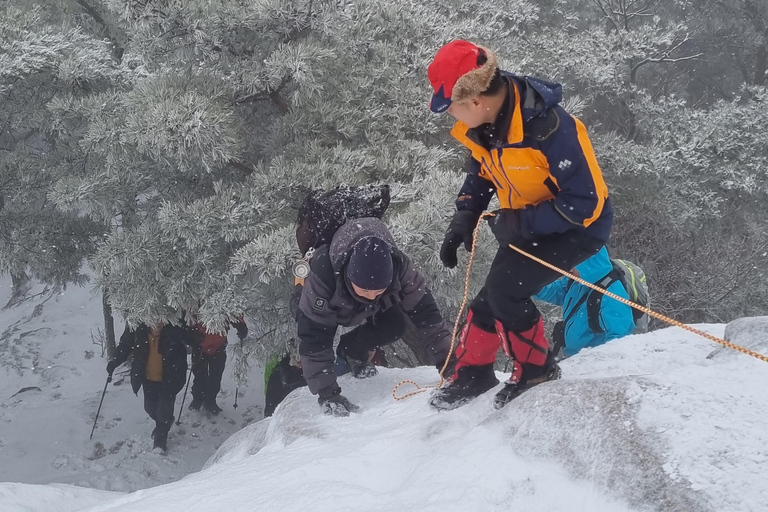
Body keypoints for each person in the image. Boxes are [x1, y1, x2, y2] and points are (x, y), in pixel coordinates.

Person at [427, 40, 614, 410]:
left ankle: (538, 372)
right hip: (527, 222)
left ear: (476, 101)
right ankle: (474, 373)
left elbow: (586, 203)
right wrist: (463, 219)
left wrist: (520, 225)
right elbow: (482, 171)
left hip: (578, 228)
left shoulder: (550, 130)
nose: (452, 116)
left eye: (452, 108)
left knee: (505, 292)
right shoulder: (490, 124)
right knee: (489, 298)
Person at [296, 217, 457, 416]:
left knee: (394, 325)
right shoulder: (322, 276)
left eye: (378, 290)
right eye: (365, 290)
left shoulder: (401, 269)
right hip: (325, 298)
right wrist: (327, 394)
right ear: (349, 276)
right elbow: (314, 338)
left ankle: (351, 351)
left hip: (368, 300)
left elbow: (429, 320)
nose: (371, 296)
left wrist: (451, 364)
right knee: (314, 330)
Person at [106, 321, 198, 452]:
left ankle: (160, 442)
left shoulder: (174, 329)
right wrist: (114, 362)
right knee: (150, 408)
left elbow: (190, 339)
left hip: (170, 379)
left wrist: (193, 337)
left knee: (164, 410)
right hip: (148, 379)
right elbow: (125, 345)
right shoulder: (137, 329)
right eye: (153, 322)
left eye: (160, 322)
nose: (157, 325)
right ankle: (163, 423)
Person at [534, 247, 635, 359]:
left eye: (573, 264)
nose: (569, 270)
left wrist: (598, 366)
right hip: (574, 358)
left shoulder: (611, 294)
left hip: (591, 363)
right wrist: (531, 285)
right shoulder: (579, 282)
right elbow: (556, 292)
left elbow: (619, 340)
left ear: (587, 262)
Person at [188, 316, 247, 415]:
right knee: (199, 375)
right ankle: (197, 399)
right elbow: (190, 314)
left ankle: (210, 401)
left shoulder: (225, 301)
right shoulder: (198, 301)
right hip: (200, 344)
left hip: (219, 344)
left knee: (215, 376)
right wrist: (192, 331)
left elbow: (234, 311)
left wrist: (241, 325)